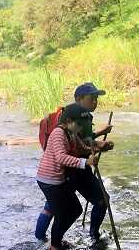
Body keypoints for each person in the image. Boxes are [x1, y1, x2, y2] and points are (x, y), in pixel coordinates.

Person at [35, 82, 114, 240]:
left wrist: (97, 144)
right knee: (101, 200)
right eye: (91, 98)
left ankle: (40, 238)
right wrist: (94, 151)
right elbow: (77, 148)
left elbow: (83, 142)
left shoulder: (73, 117)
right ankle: (93, 236)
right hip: (73, 170)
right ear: (78, 99)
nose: (95, 102)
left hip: (61, 173)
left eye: (96, 98)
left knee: (53, 207)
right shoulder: (73, 121)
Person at [36, 103, 100, 250]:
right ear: (69, 121)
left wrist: (94, 147)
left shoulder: (71, 133)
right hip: (49, 180)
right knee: (64, 213)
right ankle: (54, 249)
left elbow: (81, 147)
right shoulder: (58, 133)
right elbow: (61, 157)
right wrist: (85, 163)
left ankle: (55, 242)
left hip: (58, 179)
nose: (80, 128)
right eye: (78, 124)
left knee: (74, 210)